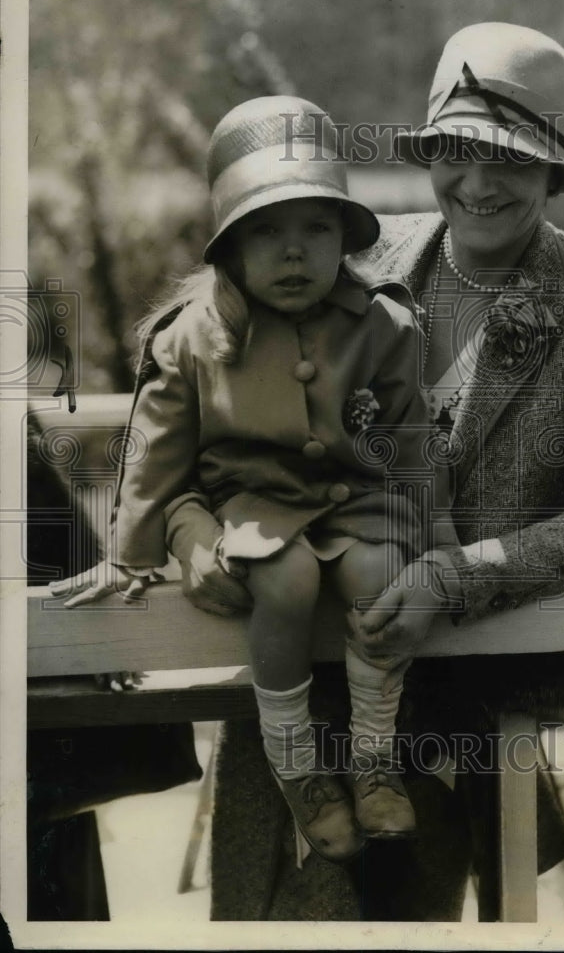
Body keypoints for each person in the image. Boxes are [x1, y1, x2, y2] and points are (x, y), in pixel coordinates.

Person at [157, 22, 564, 921]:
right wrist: (189, 528)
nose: (478, 183)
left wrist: (459, 576)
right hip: (294, 666)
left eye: (510, 159)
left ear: (553, 171)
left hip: (458, 685)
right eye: (456, 151)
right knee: (271, 917)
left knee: (400, 908)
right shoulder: (357, 254)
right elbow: (199, 408)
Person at [51, 96, 461, 862]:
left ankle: (374, 758)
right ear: (230, 249)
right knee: (285, 576)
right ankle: (298, 767)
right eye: (266, 232)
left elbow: (410, 444)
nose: (295, 252)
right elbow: (158, 450)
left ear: (344, 236)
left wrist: (436, 537)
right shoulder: (196, 336)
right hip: (253, 503)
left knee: (379, 573)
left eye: (314, 228)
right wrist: (131, 552)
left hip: (361, 502)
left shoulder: (383, 324)